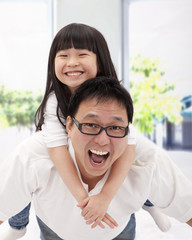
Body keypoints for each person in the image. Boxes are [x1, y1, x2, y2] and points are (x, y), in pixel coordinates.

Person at [0, 23, 170, 239]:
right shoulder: (55, 102)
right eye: (63, 55)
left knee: (139, 162)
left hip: (107, 162)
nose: (72, 62)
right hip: (70, 167)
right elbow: (57, 151)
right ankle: (18, 224)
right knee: (27, 172)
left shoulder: (112, 97)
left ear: (100, 60)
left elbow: (129, 148)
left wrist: (105, 198)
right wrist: (86, 201)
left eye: (82, 54)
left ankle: (151, 202)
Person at [0, 77, 192, 240]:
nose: (102, 140)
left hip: (118, 232)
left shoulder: (147, 159)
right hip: (55, 232)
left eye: (116, 127)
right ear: (69, 125)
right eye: (91, 124)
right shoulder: (33, 155)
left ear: (128, 131)